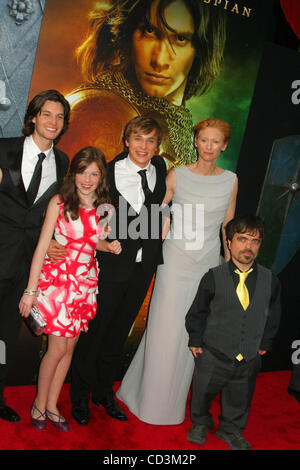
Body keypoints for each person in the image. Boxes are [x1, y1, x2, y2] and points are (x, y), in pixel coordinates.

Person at [117, 118, 238, 424]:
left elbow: (228, 225)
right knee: (163, 328)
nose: (209, 147)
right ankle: (147, 401)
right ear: (195, 142)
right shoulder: (176, 175)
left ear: (224, 145)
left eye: (215, 142)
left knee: (191, 332)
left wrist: (228, 266)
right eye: (204, 140)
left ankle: (170, 401)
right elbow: (154, 211)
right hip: (173, 261)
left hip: (208, 264)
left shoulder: (231, 180)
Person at [70, 116, 167, 425]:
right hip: (111, 267)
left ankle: (103, 393)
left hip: (143, 268)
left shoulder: (161, 169)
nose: (144, 146)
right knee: (96, 334)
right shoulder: (108, 173)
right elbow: (85, 212)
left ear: (157, 145)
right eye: (138, 138)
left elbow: (161, 209)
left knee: (118, 334)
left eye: (150, 140)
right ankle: (80, 397)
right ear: (127, 140)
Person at [18, 147, 121, 431]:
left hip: (85, 286)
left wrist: (108, 246)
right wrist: (30, 291)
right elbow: (41, 247)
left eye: (94, 173)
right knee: (56, 348)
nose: (87, 179)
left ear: (102, 178)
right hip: (58, 283)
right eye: (82, 172)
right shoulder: (59, 202)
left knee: (69, 349)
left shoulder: (105, 209)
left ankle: (52, 404)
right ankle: (39, 402)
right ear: (73, 172)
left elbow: (92, 242)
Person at [60, 0, 226, 168]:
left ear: (201, 50)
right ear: (128, 32)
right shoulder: (97, 112)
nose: (159, 60)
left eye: (181, 39)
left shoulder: (185, 130)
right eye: (150, 31)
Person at [0, 89, 70, 423]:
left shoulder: (63, 161)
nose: (53, 122)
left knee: (5, 331)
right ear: (33, 117)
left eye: (59, 117)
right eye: (47, 114)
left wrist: (54, 239)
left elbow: (50, 212)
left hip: (28, 263)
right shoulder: (4, 148)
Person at [185, 215, 281, 450]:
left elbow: (274, 315)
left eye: (255, 241)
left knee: (240, 396)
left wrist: (265, 342)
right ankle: (200, 422)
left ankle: (231, 429)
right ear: (229, 242)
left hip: (248, 356)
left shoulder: (271, 280)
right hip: (213, 353)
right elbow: (197, 311)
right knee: (202, 391)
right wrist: (195, 339)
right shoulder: (213, 277)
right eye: (242, 239)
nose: (248, 246)